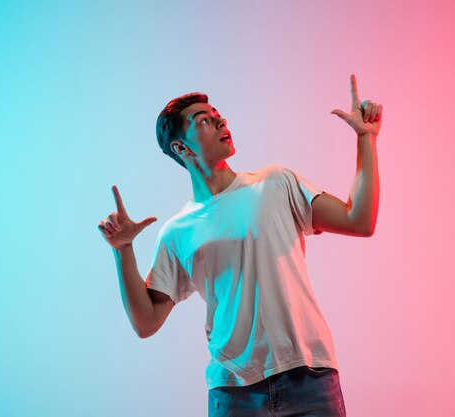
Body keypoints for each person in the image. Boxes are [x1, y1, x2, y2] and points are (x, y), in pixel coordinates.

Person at [98, 74, 382, 417]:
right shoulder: (178, 232)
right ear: (181, 148)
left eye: (217, 113)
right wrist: (123, 248)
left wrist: (366, 139)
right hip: (233, 394)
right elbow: (146, 322)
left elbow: (359, 221)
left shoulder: (275, 183)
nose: (219, 119)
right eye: (203, 119)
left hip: (309, 377)